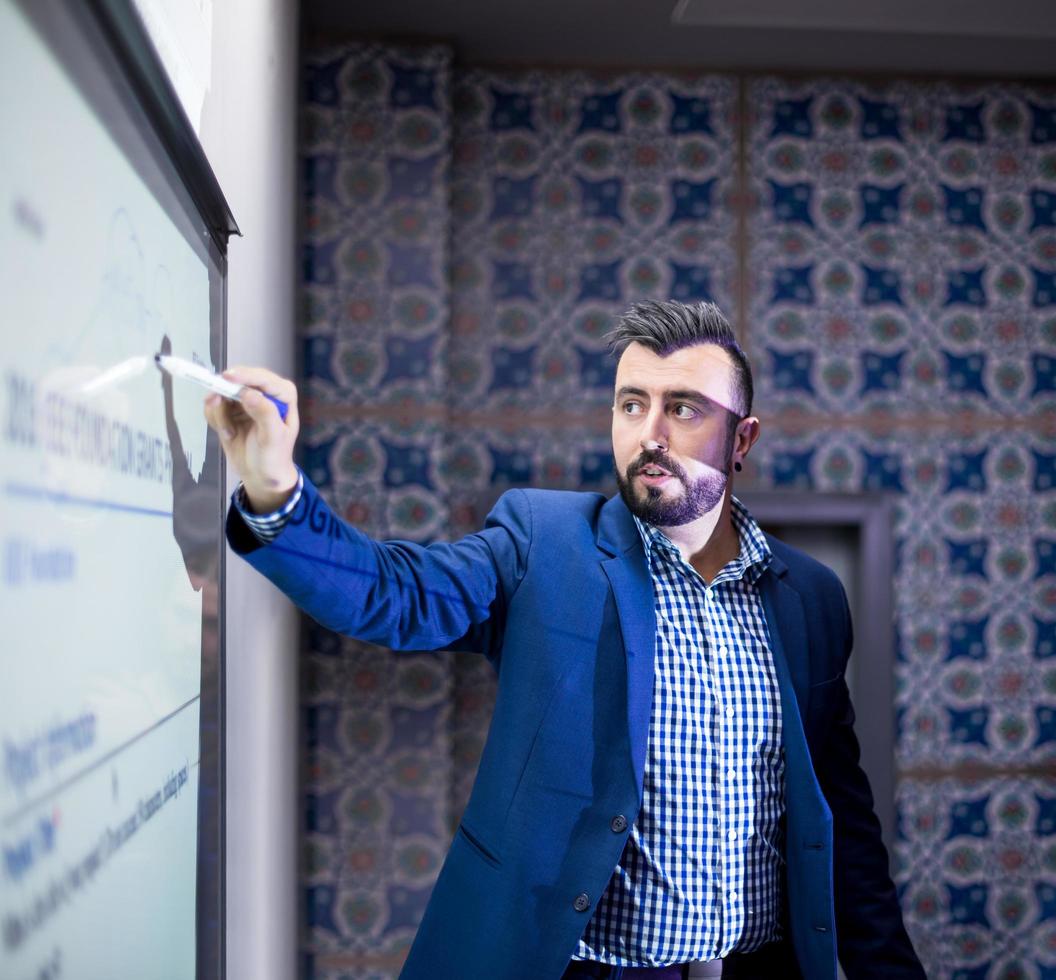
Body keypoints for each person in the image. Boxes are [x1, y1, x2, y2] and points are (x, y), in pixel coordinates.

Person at [205, 300, 926, 980]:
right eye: (630, 405)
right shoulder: (542, 542)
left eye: (682, 408)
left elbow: (840, 819)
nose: (650, 433)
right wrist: (276, 489)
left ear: (741, 439)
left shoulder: (812, 599)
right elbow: (396, 595)